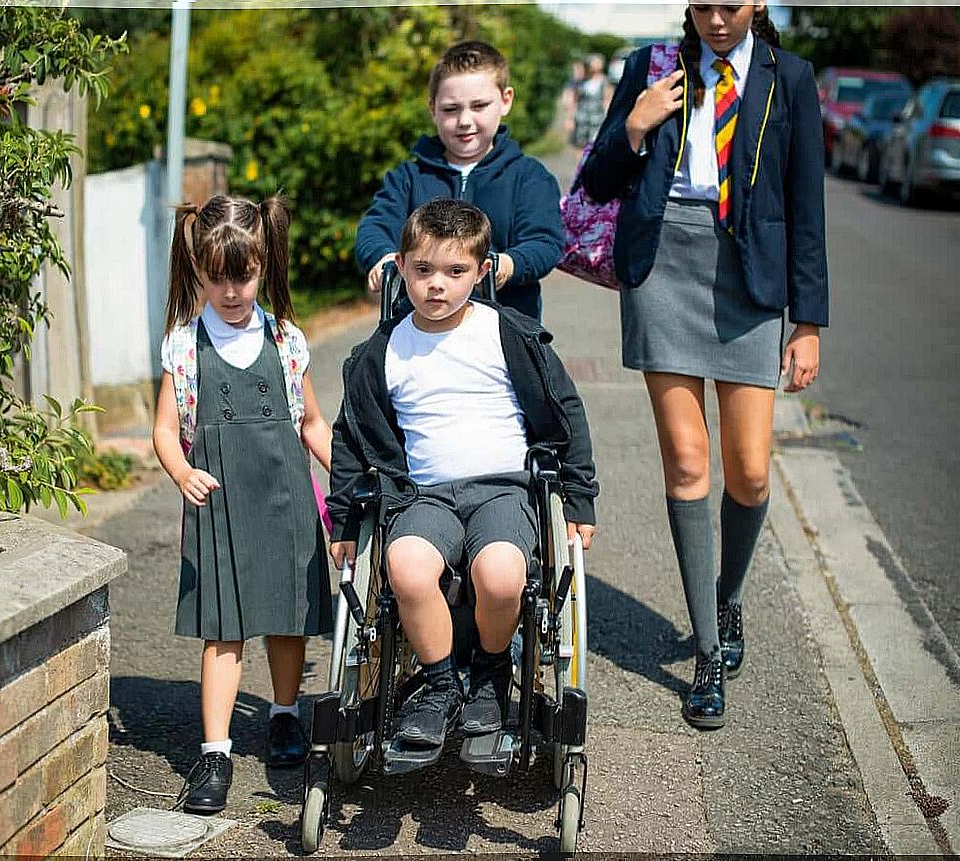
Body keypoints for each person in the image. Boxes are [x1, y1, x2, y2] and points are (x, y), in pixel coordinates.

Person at [577, 2, 827, 730]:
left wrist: (807, 323)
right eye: (705, 5)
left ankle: (729, 593)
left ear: (757, 5)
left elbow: (806, 205)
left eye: (733, 4)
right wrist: (636, 123)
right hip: (663, 268)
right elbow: (596, 180)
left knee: (749, 470)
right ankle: (709, 654)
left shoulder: (792, 77)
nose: (718, 19)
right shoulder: (652, 68)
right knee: (688, 460)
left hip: (749, 276)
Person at [329, 199, 598, 755]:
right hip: (423, 495)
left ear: (480, 273)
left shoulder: (509, 334)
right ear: (400, 268)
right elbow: (351, 438)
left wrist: (578, 500)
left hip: (504, 488)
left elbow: (566, 412)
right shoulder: (383, 352)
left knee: (501, 576)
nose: (436, 286)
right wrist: (345, 521)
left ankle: (493, 673)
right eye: (423, 270)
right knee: (405, 568)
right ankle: (440, 683)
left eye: (454, 272)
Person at [151, 194, 334, 814]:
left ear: (264, 264)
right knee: (223, 630)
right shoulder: (183, 344)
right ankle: (215, 753)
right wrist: (181, 470)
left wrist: (355, 475)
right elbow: (162, 429)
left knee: (286, 617)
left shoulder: (285, 339)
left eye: (244, 275)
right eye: (217, 277)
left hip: (287, 499)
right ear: (196, 269)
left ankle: (284, 717)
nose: (231, 291)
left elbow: (310, 422)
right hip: (219, 501)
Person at [355, 40, 563, 321]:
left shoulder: (529, 177)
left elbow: (544, 242)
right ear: (433, 109)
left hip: (504, 327)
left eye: (479, 106)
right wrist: (382, 257)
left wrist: (506, 265)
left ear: (505, 100)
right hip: (418, 328)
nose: (465, 120)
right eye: (451, 109)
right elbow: (375, 227)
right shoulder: (408, 177)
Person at [570, 53, 612, 150]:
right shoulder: (581, 81)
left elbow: (607, 100)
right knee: (579, 145)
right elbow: (575, 100)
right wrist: (570, 118)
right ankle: (580, 165)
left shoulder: (605, 81)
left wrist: (608, 119)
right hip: (581, 117)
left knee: (595, 146)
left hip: (597, 118)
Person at [562, 58, 587, 144]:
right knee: (578, 144)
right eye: (576, 70)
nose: (578, 72)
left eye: (580, 69)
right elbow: (568, 103)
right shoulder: (571, 85)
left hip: (588, 119)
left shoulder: (587, 82)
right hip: (577, 118)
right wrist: (569, 119)